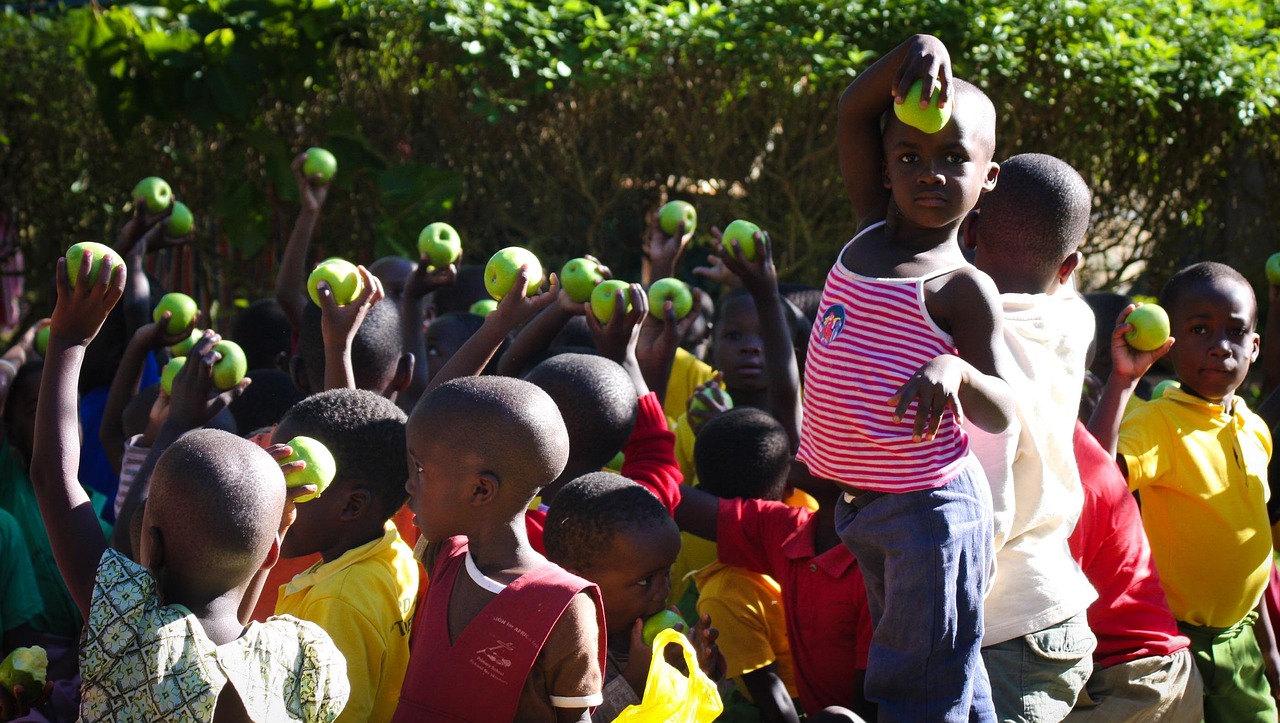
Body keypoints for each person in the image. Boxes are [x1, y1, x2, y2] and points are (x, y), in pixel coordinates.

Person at [798, 34, 1017, 719]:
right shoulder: (867, 231)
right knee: (942, 675)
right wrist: (913, 53)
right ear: (886, 169)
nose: (929, 172)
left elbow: (1006, 407)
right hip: (864, 506)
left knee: (915, 687)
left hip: (931, 515)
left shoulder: (961, 289)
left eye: (955, 158)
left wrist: (955, 367)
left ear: (989, 177)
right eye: (910, 157)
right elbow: (849, 111)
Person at [31, 250, 349, 720]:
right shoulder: (302, 662)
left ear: (152, 548)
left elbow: (53, 479)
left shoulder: (127, 637)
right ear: (271, 554)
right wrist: (274, 519)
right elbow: (236, 617)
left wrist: (69, 338)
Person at [1088, 261, 1277, 722]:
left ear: (1255, 347)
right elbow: (1094, 473)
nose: (1219, 347)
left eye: (1235, 333)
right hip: (1173, 640)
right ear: (1169, 347)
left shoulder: (1255, 429)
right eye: (1199, 329)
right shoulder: (1157, 423)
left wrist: (1269, 645)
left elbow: (1255, 551)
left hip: (1242, 639)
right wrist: (1122, 382)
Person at [962, 153, 1100, 718]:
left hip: (1004, 624)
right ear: (1070, 267)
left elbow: (985, 504)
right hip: (1051, 606)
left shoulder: (968, 351)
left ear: (969, 232)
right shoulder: (1073, 320)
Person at [394, 372, 605, 721]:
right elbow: (423, 422)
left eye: (419, 469)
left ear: (479, 490)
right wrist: (496, 328)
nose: (408, 483)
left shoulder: (560, 603)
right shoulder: (445, 554)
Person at [270, 388, 419, 723]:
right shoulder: (391, 550)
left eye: (290, 488)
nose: (269, 500)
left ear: (353, 505)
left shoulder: (335, 603)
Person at [542, 472, 725, 723]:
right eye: (645, 581)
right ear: (579, 582)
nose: (663, 592)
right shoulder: (555, 650)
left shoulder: (636, 638)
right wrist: (636, 681)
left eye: (667, 573)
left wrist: (698, 670)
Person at [1065, 422, 1203, 722]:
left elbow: (1048, 607)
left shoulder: (1075, 479)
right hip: (1145, 673)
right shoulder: (1073, 450)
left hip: (1135, 681)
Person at [689, 409, 802, 722]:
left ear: (701, 497)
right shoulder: (806, 514)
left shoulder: (723, 596)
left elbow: (771, 693)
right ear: (789, 484)